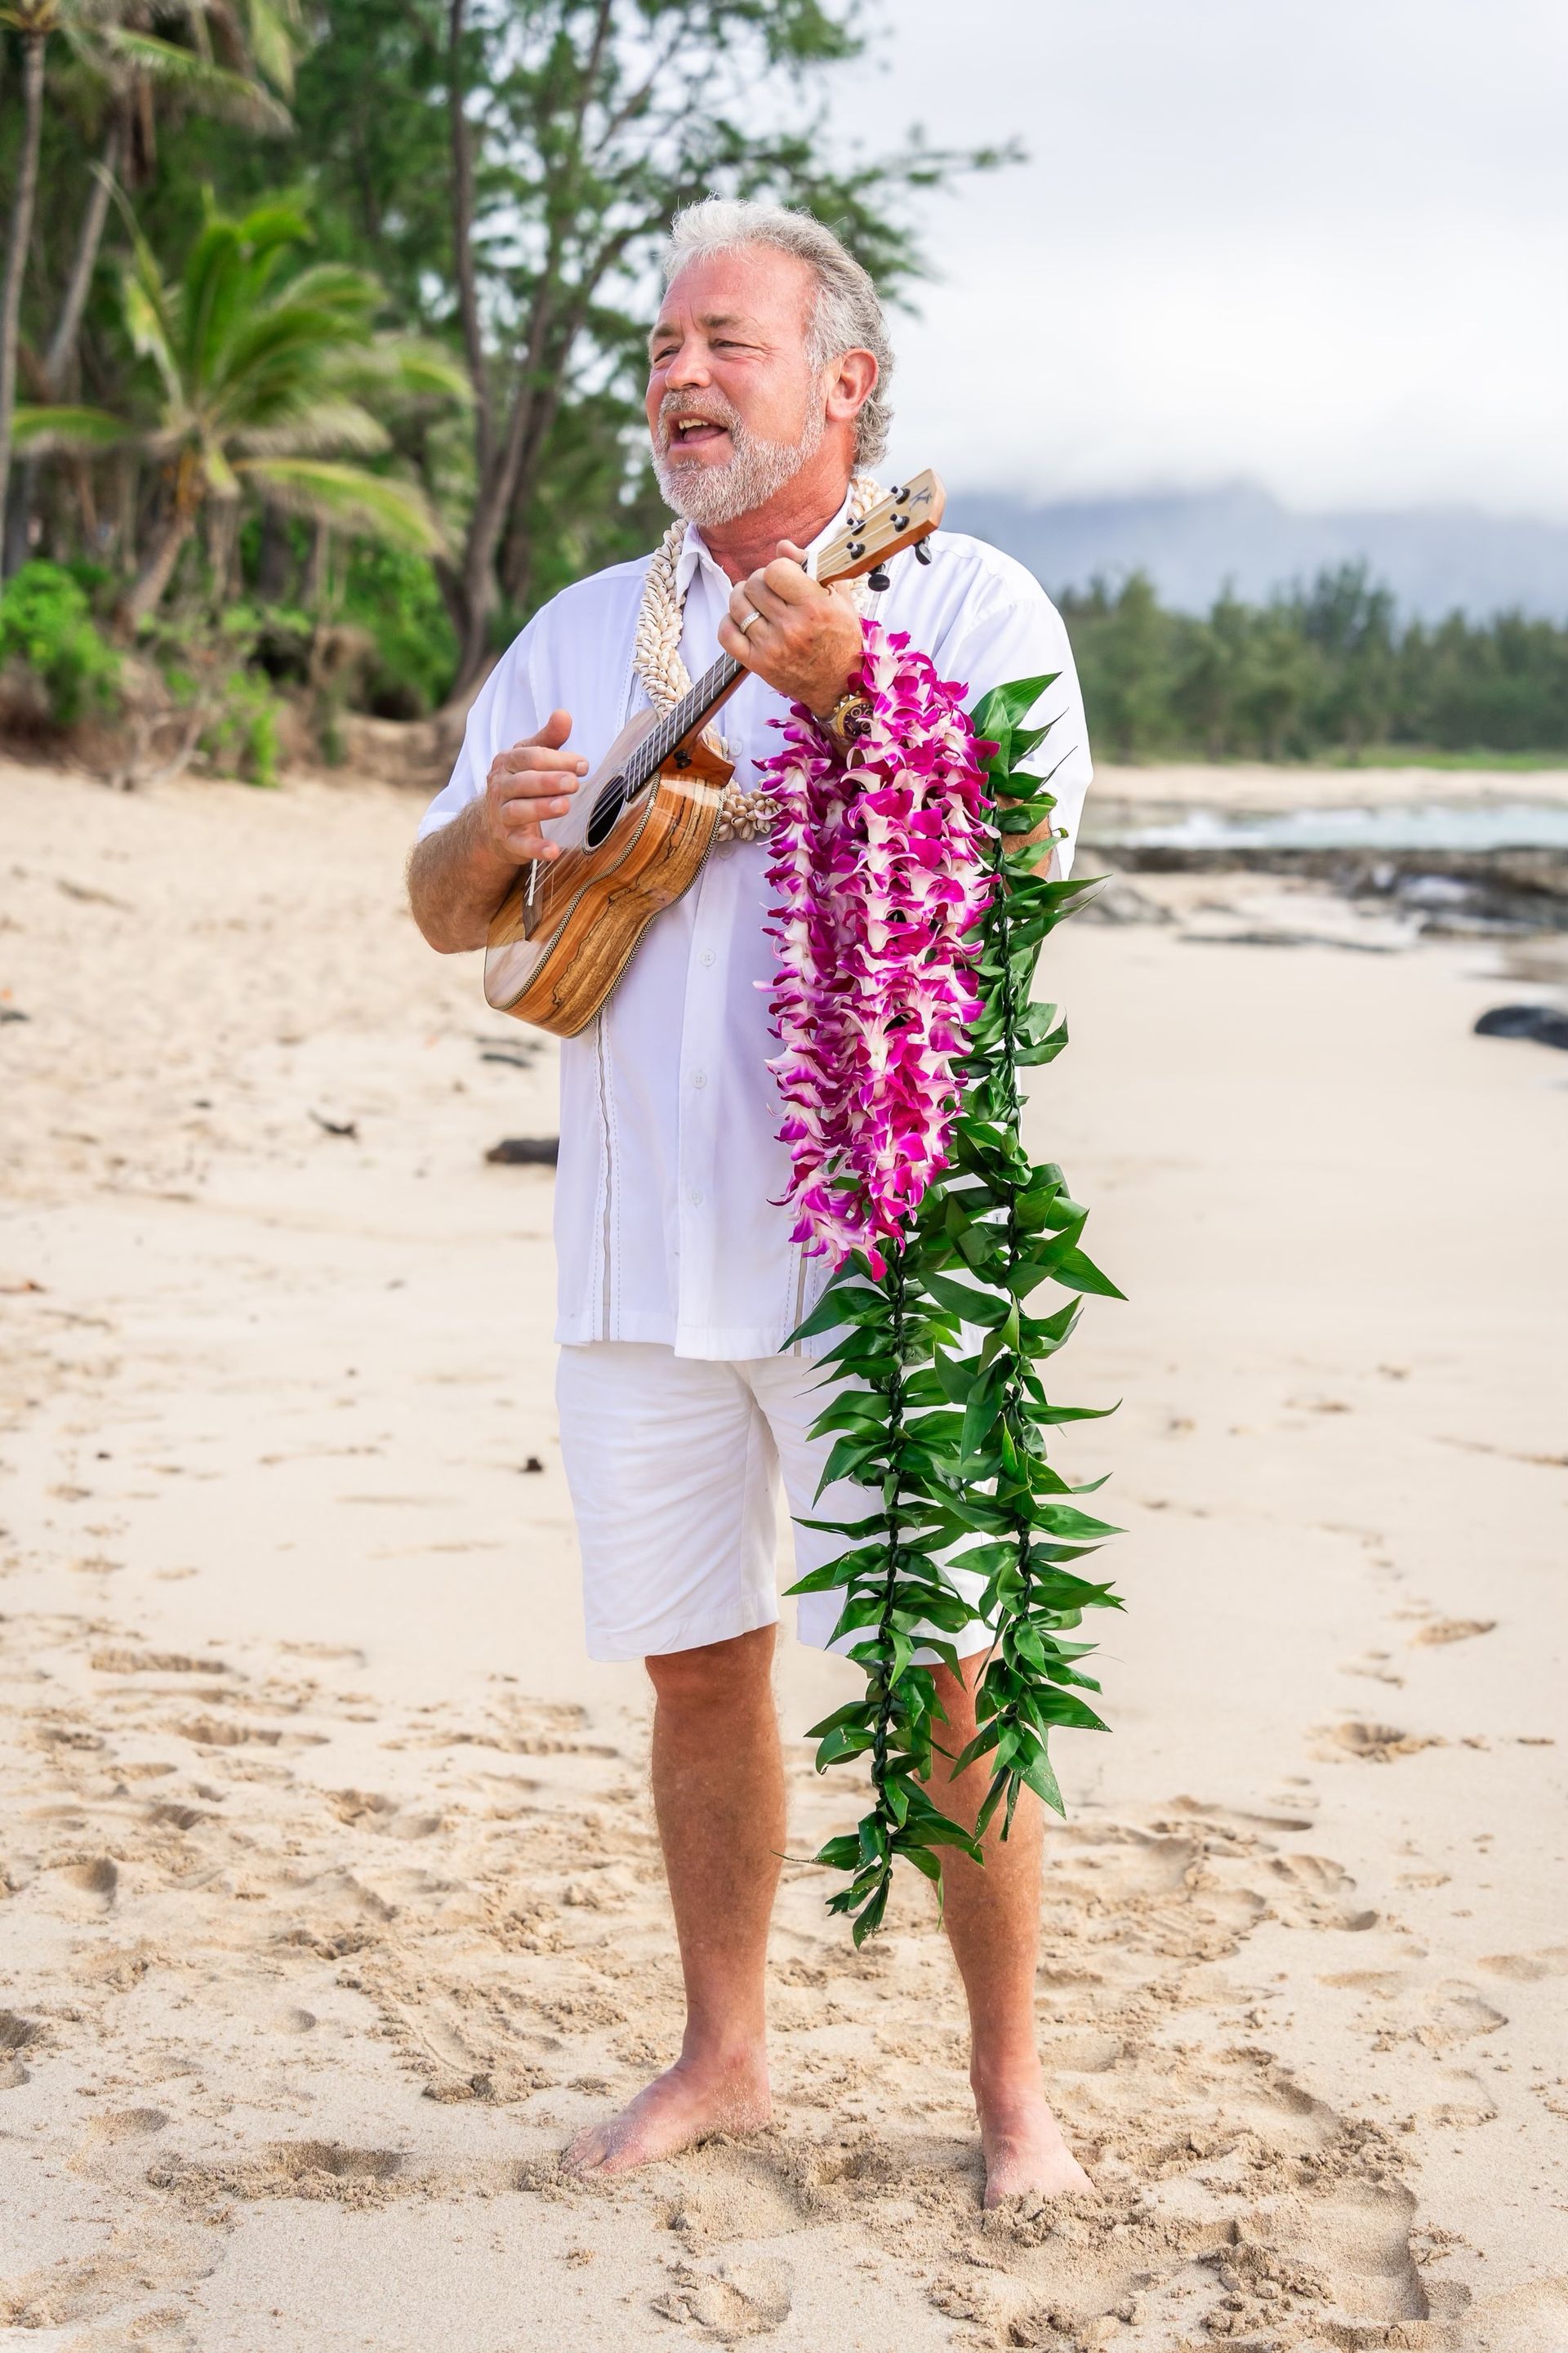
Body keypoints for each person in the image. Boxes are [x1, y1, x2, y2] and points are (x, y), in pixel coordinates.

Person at [408, 198, 1094, 2208]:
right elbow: (454, 918)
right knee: (698, 1665)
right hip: (632, 1254)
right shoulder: (577, 629)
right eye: (660, 348)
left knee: (951, 1657)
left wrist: (865, 688)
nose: (680, 378)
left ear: (845, 385)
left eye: (729, 341)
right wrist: (488, 831)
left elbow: (1030, 873)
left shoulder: (969, 603)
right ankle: (724, 2051)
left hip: (878, 1252)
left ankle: (1011, 2091)